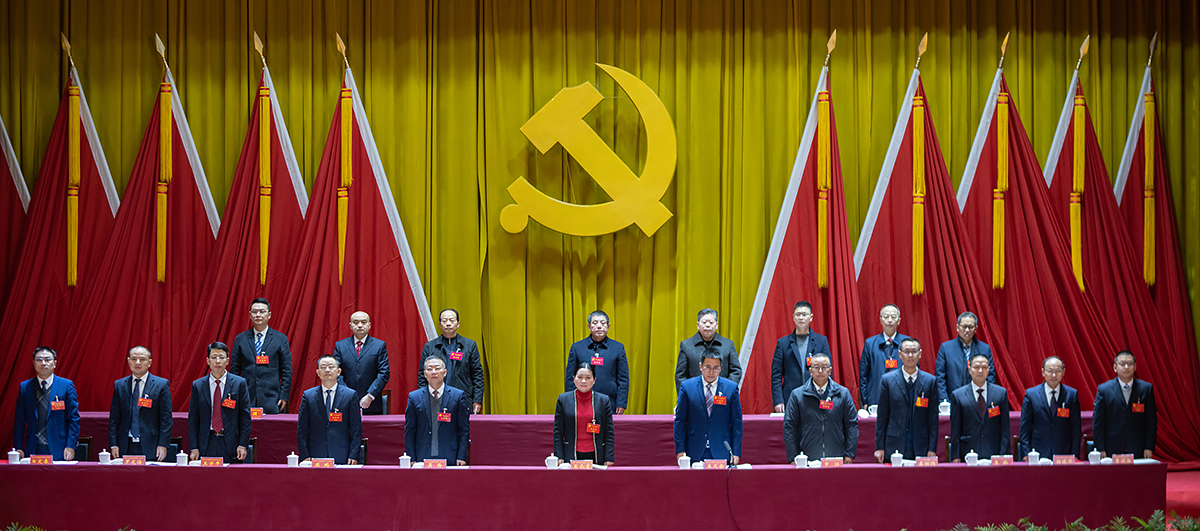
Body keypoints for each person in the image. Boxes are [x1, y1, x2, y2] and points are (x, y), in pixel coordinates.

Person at [783, 352, 858, 463]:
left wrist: (849, 454)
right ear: (810, 371)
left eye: (824, 367)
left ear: (830, 370)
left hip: (836, 457)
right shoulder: (797, 395)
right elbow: (789, 427)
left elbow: (852, 424)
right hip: (807, 458)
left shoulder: (843, 394)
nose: (820, 371)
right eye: (816, 367)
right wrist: (793, 457)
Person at [674, 349, 743, 464]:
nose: (711, 372)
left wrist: (736, 452)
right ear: (700, 366)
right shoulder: (687, 387)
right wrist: (680, 450)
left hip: (722, 449)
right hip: (694, 450)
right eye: (707, 367)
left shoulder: (730, 388)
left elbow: (737, 422)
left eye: (716, 368)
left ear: (721, 368)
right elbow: (680, 421)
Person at [873, 338, 938, 462]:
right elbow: (882, 417)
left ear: (920, 354)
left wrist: (932, 449)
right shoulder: (887, 380)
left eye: (914, 351)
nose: (910, 355)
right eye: (907, 351)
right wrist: (880, 447)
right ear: (900, 354)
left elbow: (933, 419)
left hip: (921, 446)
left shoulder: (930, 381)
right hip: (894, 445)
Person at [187, 342, 252, 462]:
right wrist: (194, 447)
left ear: (227, 361)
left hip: (231, 443)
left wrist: (243, 445)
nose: (217, 361)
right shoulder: (198, 386)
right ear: (208, 361)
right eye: (213, 357)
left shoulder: (239, 384)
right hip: (206, 442)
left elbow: (245, 417)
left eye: (221, 357)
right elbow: (193, 419)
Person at [13, 347, 80, 460]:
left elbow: (74, 418)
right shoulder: (25, 387)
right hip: (33, 448)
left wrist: (71, 446)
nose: (43, 363)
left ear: (55, 363)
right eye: (39, 359)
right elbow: (19, 420)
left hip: (60, 448)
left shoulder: (66, 386)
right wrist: (18, 448)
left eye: (47, 359)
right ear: (34, 363)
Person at [108, 346, 172, 461]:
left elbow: (166, 419)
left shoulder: (161, 385)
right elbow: (114, 418)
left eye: (142, 359)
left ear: (149, 362)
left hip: (151, 445)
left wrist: (163, 444)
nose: (137, 363)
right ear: (128, 361)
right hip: (125, 444)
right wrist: (113, 444)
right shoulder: (119, 385)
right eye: (134, 359)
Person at [230, 297, 293, 414]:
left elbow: (287, 371)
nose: (258, 315)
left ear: (269, 315)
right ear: (250, 315)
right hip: (246, 397)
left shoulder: (280, 339)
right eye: (255, 312)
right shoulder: (240, 339)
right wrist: (235, 395)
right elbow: (234, 371)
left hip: (273, 399)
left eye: (262, 311)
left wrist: (284, 396)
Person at [405, 356, 470, 465]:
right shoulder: (414, 397)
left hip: (450, 456)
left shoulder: (457, 396)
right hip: (422, 456)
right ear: (425, 374)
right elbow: (409, 431)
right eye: (430, 369)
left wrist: (461, 456)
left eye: (437, 368)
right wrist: (411, 458)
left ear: (445, 372)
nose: (434, 372)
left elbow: (464, 429)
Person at [297, 355, 362, 464]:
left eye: (331, 366)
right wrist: (305, 455)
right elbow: (302, 430)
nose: (327, 370)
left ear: (339, 371)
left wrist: (354, 454)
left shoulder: (350, 395)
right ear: (318, 373)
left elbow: (356, 429)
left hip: (343, 454)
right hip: (315, 454)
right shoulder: (308, 396)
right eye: (323, 367)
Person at [418, 308, 485, 414]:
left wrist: (477, 400)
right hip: (436, 399)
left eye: (451, 320)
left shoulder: (469, 346)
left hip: (463, 398)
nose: (448, 324)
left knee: (462, 424)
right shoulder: (430, 347)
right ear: (440, 324)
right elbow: (422, 376)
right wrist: (424, 399)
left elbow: (477, 375)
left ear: (458, 324)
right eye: (444, 321)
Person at [1092, 351, 1156, 458]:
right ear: (1115, 367)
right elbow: (1098, 422)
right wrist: (1100, 448)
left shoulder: (1146, 389)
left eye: (1130, 364)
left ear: (1135, 367)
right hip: (1111, 449)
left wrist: (1149, 447)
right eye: (1122, 364)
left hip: (1138, 448)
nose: (1126, 367)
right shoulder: (1104, 390)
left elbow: (1151, 422)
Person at [771, 301, 832, 412]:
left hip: (817, 397)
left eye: (804, 314)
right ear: (793, 317)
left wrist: (828, 397)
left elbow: (828, 371)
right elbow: (776, 375)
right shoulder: (783, 343)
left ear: (811, 317)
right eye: (798, 314)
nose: (801, 318)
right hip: (790, 397)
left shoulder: (821, 341)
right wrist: (778, 400)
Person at [948, 353, 1010, 461]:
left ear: (989, 369)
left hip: (994, 454)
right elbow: (955, 431)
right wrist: (955, 456)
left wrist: (1003, 455)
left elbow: (1005, 429)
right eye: (976, 367)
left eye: (984, 367)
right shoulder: (958, 395)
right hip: (967, 454)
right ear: (969, 369)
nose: (980, 371)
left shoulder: (1000, 393)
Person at [565, 310, 629, 414]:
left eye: (603, 323)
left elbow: (623, 379)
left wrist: (621, 403)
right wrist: (570, 402)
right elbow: (570, 377)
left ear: (608, 326)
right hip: (581, 402)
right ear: (589, 327)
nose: (599, 326)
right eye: (595, 323)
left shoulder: (618, 348)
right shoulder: (577, 348)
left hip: (610, 402)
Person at [1018, 356, 1081, 460]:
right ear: (1043, 372)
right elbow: (1025, 428)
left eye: (1058, 371)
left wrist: (1075, 454)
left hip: (1063, 452)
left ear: (1063, 372)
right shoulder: (1031, 395)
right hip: (1037, 452)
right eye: (1050, 371)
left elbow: (1076, 428)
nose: (1054, 375)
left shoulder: (1071, 394)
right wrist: (1025, 453)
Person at [553, 364, 615, 466]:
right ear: (574, 379)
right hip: (571, 452)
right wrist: (559, 456)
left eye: (588, 378)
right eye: (580, 377)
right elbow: (558, 432)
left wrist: (609, 457)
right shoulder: (563, 400)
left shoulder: (603, 401)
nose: (583, 381)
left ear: (594, 380)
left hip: (596, 453)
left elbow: (609, 432)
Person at [333, 310, 390, 415]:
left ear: (369, 325)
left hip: (371, 404)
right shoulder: (340, 346)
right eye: (356, 322)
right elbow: (336, 372)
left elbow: (384, 373)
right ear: (350, 325)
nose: (359, 325)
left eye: (363, 322)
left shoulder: (379, 346)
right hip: (345, 402)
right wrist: (348, 394)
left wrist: (370, 395)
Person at [934, 311, 996, 404]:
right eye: (964, 326)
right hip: (952, 401)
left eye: (971, 327)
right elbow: (940, 378)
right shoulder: (945, 348)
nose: (967, 330)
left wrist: (986, 400)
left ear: (976, 329)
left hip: (978, 402)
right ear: (957, 327)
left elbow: (990, 376)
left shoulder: (985, 349)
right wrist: (944, 402)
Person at [858, 304, 912, 408]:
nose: (890, 320)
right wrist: (865, 401)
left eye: (893, 316)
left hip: (903, 400)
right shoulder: (870, 343)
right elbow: (863, 375)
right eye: (886, 316)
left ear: (899, 320)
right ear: (881, 320)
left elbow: (914, 372)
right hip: (876, 399)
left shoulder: (908, 344)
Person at [675, 308, 742, 388]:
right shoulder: (686, 345)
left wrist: (726, 390)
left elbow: (736, 371)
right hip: (695, 393)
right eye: (704, 322)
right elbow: (681, 376)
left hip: (721, 393)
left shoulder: (728, 345)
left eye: (711, 322)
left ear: (716, 325)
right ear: (697, 325)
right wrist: (688, 393)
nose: (707, 325)